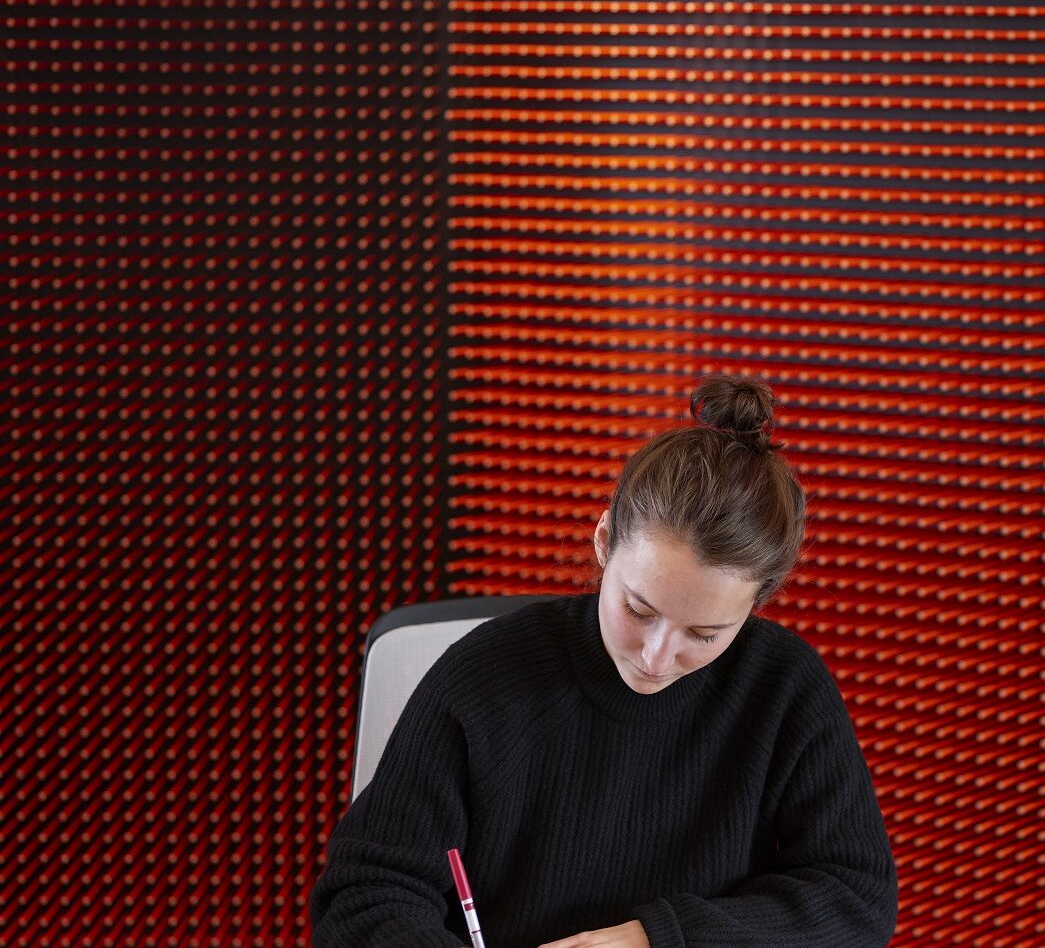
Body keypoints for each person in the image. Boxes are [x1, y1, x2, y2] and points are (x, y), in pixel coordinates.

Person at [311, 375, 899, 948]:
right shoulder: (480, 678)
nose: (656, 657)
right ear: (603, 540)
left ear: (757, 603)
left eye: (704, 632)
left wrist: (658, 938)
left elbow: (856, 897)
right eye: (638, 609)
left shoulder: (784, 688)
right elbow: (365, 896)